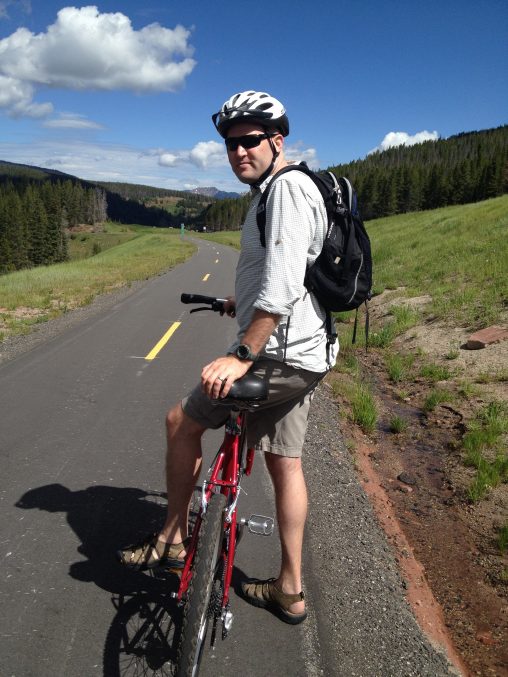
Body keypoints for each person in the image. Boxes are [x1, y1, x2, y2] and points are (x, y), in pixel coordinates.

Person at [118, 90, 338, 624]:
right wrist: (236, 300)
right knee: (285, 463)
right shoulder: (291, 187)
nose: (238, 151)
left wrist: (242, 352)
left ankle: (171, 539)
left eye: (249, 141)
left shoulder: (284, 191)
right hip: (308, 353)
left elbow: (283, 287)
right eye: (230, 144)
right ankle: (290, 590)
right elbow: (291, 274)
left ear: (276, 140)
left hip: (276, 356)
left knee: (180, 422)